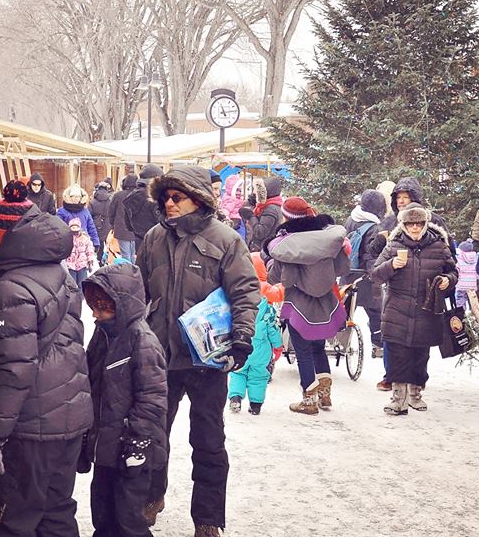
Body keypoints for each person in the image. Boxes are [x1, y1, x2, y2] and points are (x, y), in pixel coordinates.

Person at [135, 165, 258, 537]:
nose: (169, 204)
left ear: (198, 199)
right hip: (159, 357)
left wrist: (241, 338)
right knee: (152, 436)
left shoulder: (226, 239)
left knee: (208, 441)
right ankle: (151, 498)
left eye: (177, 197)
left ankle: (207, 518)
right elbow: (139, 290)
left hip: (208, 359)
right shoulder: (154, 238)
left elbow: (245, 291)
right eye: (165, 198)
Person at [0, 180, 93, 536]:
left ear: (8, 239)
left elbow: (15, 371)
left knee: (14, 519)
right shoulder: (58, 273)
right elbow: (50, 343)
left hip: (31, 428)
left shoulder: (10, 288)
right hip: (69, 417)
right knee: (57, 515)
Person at [78, 264, 168, 537]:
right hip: (105, 448)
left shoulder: (143, 341)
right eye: (93, 306)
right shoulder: (103, 334)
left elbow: (152, 398)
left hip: (133, 449)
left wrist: (137, 441)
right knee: (103, 514)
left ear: (121, 305)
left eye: (101, 308)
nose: (94, 314)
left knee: (129, 520)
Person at [265, 197, 349, 415]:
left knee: (303, 352)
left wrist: (273, 263)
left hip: (298, 305)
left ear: (287, 217)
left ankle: (309, 400)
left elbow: (280, 279)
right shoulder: (327, 240)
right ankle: (325, 395)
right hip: (325, 303)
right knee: (318, 348)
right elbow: (342, 268)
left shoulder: (289, 246)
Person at [372, 203, 457, 415]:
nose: (415, 228)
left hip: (427, 308)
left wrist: (448, 280)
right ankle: (398, 399)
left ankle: (416, 394)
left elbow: (453, 271)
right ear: (404, 225)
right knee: (398, 355)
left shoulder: (438, 246)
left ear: (425, 224)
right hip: (397, 308)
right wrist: (392, 265)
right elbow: (375, 275)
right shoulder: (393, 246)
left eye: (419, 224)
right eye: (411, 224)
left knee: (420, 354)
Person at [228, 254, 284, 416]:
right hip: (261, 351)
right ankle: (256, 405)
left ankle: (236, 398)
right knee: (258, 377)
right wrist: (278, 347)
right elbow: (273, 329)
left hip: (241, 344)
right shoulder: (267, 308)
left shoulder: (238, 294)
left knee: (238, 373)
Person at [344, 189, 388, 372]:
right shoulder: (375, 227)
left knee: (345, 309)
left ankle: (339, 339)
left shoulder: (351, 219)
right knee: (376, 310)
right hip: (366, 276)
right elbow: (371, 254)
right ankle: (378, 344)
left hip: (348, 273)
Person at [124, 165, 164, 251]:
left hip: (138, 239)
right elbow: (162, 222)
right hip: (157, 241)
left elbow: (128, 224)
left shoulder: (130, 196)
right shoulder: (154, 197)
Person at [57, 184, 101, 251]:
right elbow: (58, 228)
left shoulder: (85, 211)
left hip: (83, 244)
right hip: (67, 244)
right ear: (69, 197)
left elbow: (91, 227)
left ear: (81, 198)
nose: (75, 199)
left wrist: (95, 242)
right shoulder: (62, 211)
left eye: (77, 197)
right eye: (73, 196)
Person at [246, 176, 284, 253]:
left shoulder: (270, 209)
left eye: (257, 191)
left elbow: (260, 232)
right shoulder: (274, 206)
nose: (254, 193)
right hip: (266, 247)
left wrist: (251, 216)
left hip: (262, 249)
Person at [109, 174, 139, 262]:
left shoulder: (118, 196)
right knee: (134, 255)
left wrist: (113, 225)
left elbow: (111, 212)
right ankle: (134, 273)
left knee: (125, 255)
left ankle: (128, 273)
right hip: (137, 231)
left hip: (121, 229)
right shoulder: (138, 195)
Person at [66, 218, 97, 286]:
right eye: (72, 227)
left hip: (82, 264)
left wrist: (90, 260)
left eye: (76, 227)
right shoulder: (67, 238)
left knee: (82, 283)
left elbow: (89, 250)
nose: (74, 229)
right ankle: (73, 295)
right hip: (70, 264)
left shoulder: (85, 238)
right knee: (72, 283)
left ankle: (82, 295)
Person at [90, 180, 114, 262]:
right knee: (108, 244)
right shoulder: (110, 200)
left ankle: (99, 260)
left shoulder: (92, 201)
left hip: (97, 224)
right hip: (108, 224)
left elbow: (89, 214)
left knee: (99, 244)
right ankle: (107, 260)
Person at [455, 241, 478, 309]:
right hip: (472, 285)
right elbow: (478, 272)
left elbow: (456, 271)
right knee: (473, 302)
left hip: (461, 285)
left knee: (461, 301)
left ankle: (462, 315)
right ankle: (473, 315)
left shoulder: (459, 259)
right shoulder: (475, 259)